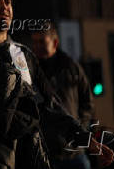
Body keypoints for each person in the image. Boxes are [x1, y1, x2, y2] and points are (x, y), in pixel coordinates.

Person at [0, 0, 114, 169]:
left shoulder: (24, 54)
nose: (4, 7)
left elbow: (50, 104)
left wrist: (87, 140)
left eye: (8, 2)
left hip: (28, 159)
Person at [31, 22, 93, 169]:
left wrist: (81, 128)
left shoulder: (71, 67)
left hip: (74, 152)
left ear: (55, 42)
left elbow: (87, 102)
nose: (37, 46)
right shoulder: (29, 69)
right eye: (34, 42)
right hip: (45, 153)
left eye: (42, 41)